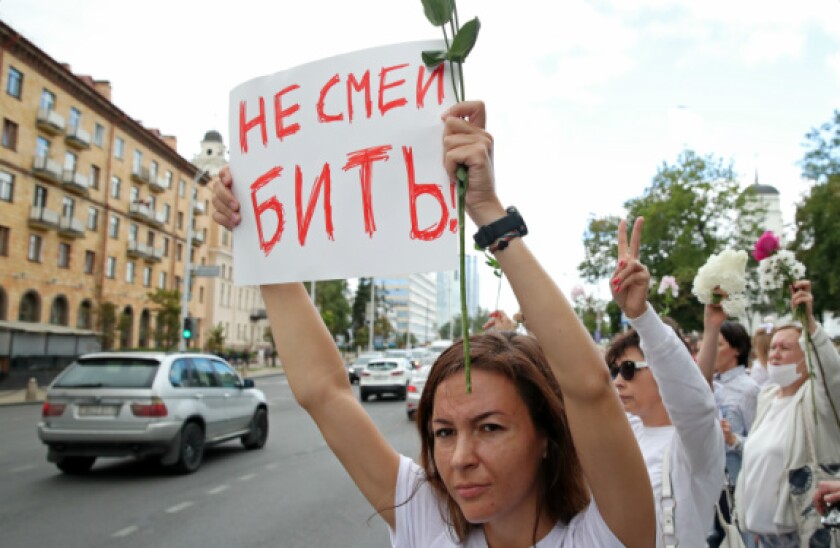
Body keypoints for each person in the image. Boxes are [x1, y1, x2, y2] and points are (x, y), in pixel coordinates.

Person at [211, 100, 656, 547]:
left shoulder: (606, 537)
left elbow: (588, 386)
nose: (460, 458)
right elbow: (323, 393)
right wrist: (259, 237)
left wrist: (485, 208)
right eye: (444, 432)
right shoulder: (427, 520)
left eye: (490, 427)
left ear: (546, 438)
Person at [606, 217, 725, 548]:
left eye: (629, 369)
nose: (618, 382)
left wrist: (642, 315)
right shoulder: (627, 430)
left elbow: (696, 403)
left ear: (662, 368)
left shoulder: (694, 444)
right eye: (615, 371)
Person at [735, 280, 840, 547]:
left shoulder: (816, 401)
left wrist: (809, 323)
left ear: (807, 358)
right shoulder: (768, 397)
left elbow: (830, 373)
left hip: (801, 536)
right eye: (772, 347)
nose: (775, 354)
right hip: (760, 538)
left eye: (785, 348)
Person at [697, 308, 760, 547]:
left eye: (719, 344)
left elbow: (760, 443)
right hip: (711, 486)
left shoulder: (749, 389)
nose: (711, 348)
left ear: (737, 350)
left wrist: (733, 439)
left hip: (737, 485)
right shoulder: (707, 385)